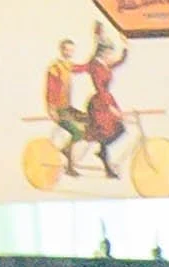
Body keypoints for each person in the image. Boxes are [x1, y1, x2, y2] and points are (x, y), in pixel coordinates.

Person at [81, 22, 128, 179]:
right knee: (106, 133)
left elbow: (119, 61)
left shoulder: (105, 65)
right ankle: (107, 166)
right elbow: (100, 89)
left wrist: (125, 47)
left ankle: (103, 154)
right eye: (109, 53)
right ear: (102, 53)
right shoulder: (96, 66)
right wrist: (110, 108)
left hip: (106, 101)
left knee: (119, 129)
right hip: (99, 105)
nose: (111, 56)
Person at [43, 39, 87, 175]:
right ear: (61, 50)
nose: (69, 53)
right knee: (78, 132)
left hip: (68, 107)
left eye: (71, 50)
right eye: (67, 50)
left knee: (89, 121)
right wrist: (52, 110)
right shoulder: (55, 67)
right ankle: (67, 158)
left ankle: (71, 153)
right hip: (59, 109)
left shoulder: (68, 66)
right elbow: (50, 90)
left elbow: (83, 68)